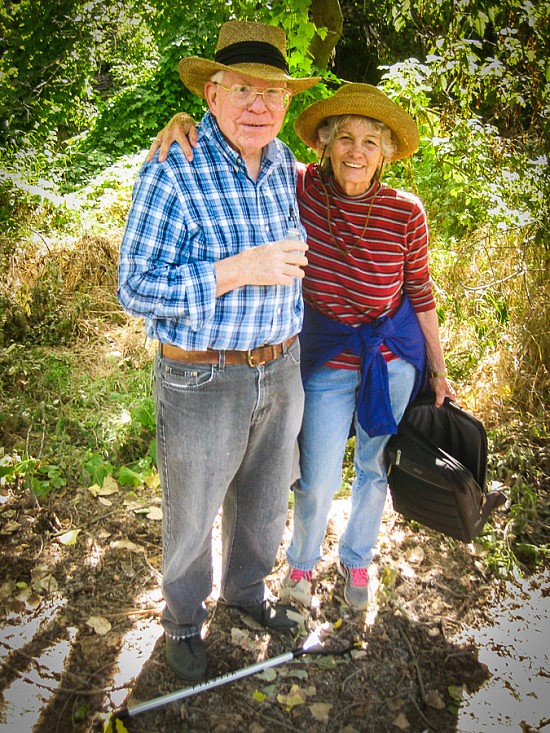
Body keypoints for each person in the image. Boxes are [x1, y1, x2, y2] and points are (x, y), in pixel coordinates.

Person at [148, 83, 455, 614]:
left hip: (392, 357)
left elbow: (421, 293)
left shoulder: (407, 212)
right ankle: (302, 563)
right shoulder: (298, 185)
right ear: (326, 146)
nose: (357, 152)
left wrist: (438, 369)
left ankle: (358, 559)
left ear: (385, 153)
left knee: (376, 466)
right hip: (329, 356)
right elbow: (246, 156)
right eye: (346, 139)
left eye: (370, 143)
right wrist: (184, 122)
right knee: (315, 476)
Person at [118, 20, 320, 684]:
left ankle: (245, 591)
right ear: (211, 94)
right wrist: (241, 268)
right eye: (243, 90)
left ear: (288, 103)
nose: (259, 105)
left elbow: (355, 174)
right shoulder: (171, 170)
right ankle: (182, 620)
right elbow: (135, 288)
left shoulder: (289, 164)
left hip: (281, 366)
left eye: (273, 92)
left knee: (264, 502)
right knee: (192, 507)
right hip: (201, 376)